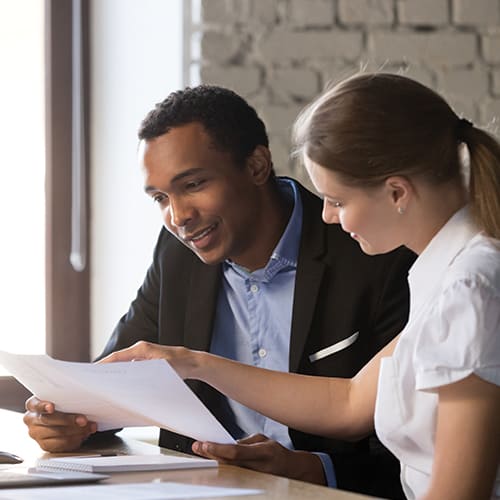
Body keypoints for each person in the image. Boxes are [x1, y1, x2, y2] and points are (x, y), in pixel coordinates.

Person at [100, 74, 500, 500]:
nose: (326, 216)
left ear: (397, 192)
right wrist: (193, 364)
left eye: (338, 201)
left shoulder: (469, 289)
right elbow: (348, 402)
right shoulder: (443, 276)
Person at [24, 85, 415, 497]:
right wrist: (68, 418)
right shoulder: (176, 256)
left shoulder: (374, 254)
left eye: (192, 184)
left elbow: (418, 448)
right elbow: (117, 377)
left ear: (257, 165)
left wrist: (316, 469)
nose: (178, 217)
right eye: (160, 198)